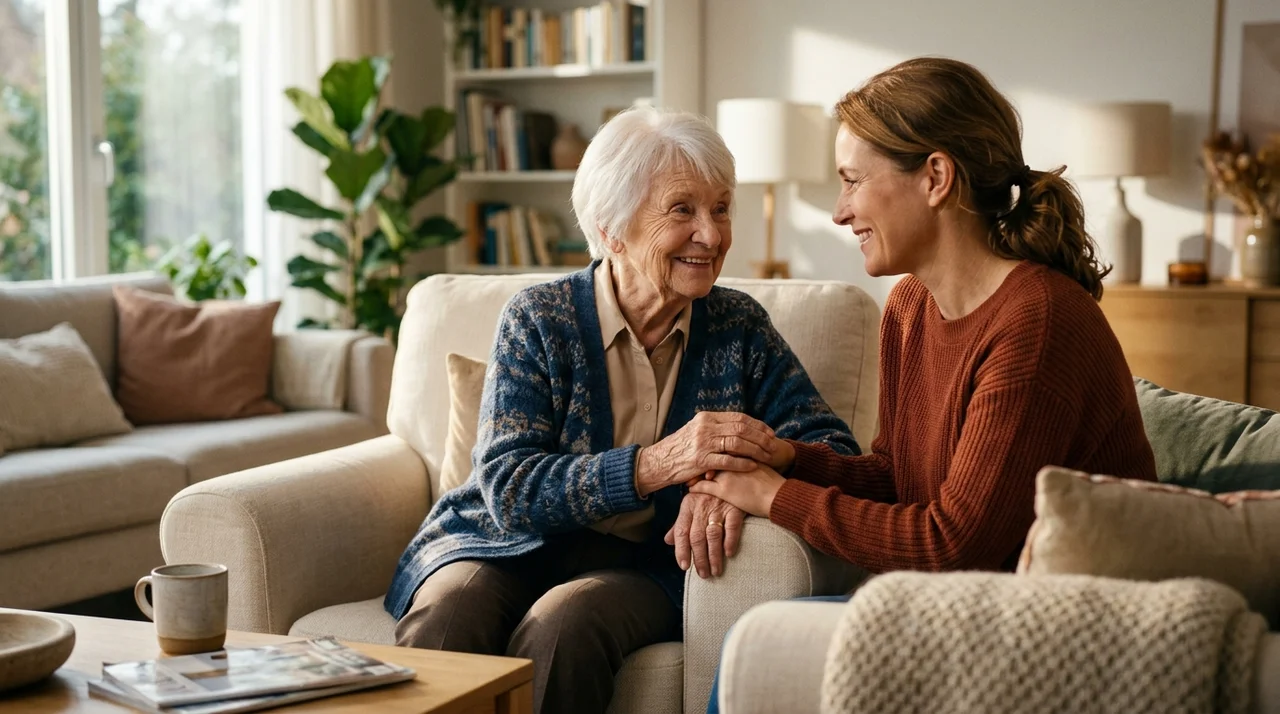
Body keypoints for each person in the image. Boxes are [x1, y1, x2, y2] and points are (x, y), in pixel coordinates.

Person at [694, 57, 1159, 712]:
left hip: (1062, 621)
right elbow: (898, 477)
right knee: (757, 643)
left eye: (853, 181)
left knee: (762, 645)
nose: (838, 211)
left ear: (936, 177)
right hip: (968, 602)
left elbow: (950, 543)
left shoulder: (1038, 323)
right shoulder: (911, 306)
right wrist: (790, 459)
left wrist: (776, 497)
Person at [384, 106, 859, 714]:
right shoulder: (539, 319)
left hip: (638, 565)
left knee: (565, 626)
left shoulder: (739, 328)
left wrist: (728, 480)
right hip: (502, 541)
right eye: (682, 210)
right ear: (611, 231)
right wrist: (658, 465)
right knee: (448, 623)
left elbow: (833, 449)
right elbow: (508, 488)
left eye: (720, 207)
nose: (711, 235)